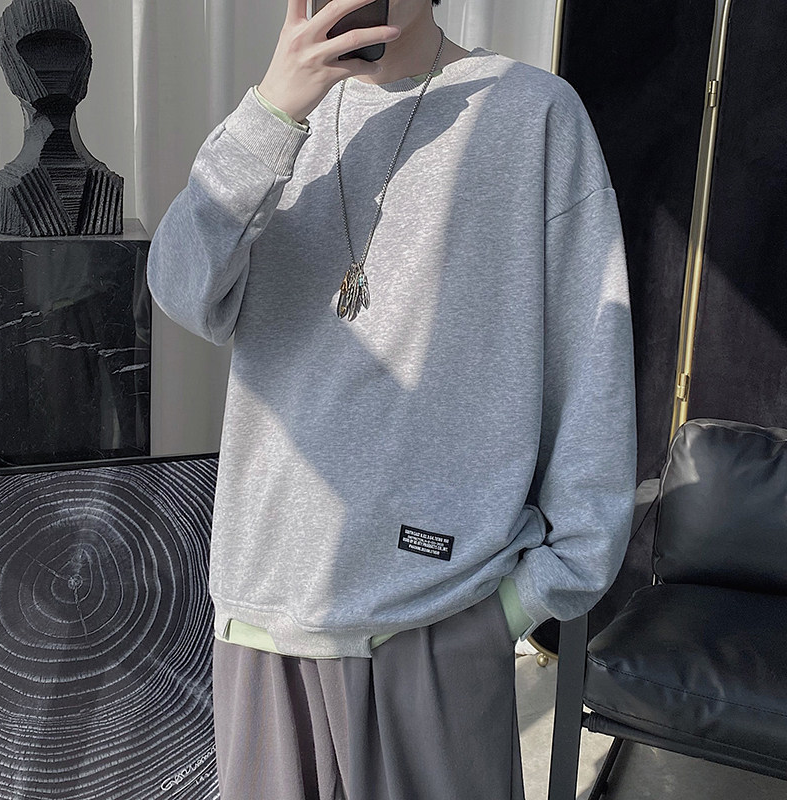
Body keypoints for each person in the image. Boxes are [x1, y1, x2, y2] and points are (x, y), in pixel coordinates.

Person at [146, 0, 637, 797]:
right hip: (263, 619)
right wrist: (271, 115)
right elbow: (181, 293)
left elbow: (593, 366)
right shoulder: (276, 120)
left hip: (437, 626)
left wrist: (527, 600)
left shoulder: (533, 113)